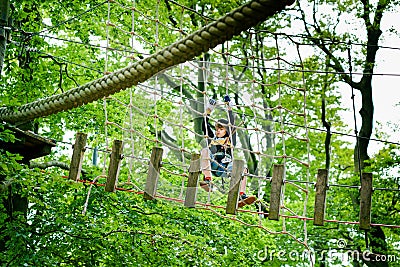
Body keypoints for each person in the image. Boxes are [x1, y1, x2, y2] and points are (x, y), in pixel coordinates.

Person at [199, 95, 256, 208]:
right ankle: (207, 179)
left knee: (242, 169)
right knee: (205, 150)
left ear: (226, 130)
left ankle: (241, 195)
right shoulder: (212, 139)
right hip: (214, 165)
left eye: (221, 129)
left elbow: (232, 124)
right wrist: (209, 110)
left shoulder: (230, 140)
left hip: (225, 167)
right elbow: (204, 126)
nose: (218, 132)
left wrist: (229, 107)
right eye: (217, 129)